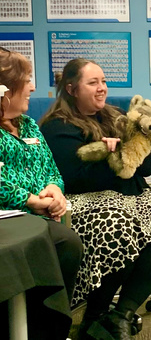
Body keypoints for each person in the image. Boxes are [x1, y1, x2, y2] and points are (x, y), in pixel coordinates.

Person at [39, 58, 151, 339]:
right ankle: (94, 315)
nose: (102, 88)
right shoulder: (57, 127)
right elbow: (76, 178)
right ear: (72, 89)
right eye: (93, 82)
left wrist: (147, 135)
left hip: (131, 198)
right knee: (120, 225)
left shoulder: (118, 115)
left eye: (104, 81)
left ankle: (121, 315)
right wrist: (116, 158)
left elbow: (145, 169)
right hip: (85, 202)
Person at [0, 48, 83, 339]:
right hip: (12, 218)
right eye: (26, 80)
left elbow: (51, 168)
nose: (33, 87)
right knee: (63, 242)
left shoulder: (29, 124)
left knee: (67, 244)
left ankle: (46, 328)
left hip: (42, 214)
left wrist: (55, 190)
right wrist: (32, 200)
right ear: (6, 88)